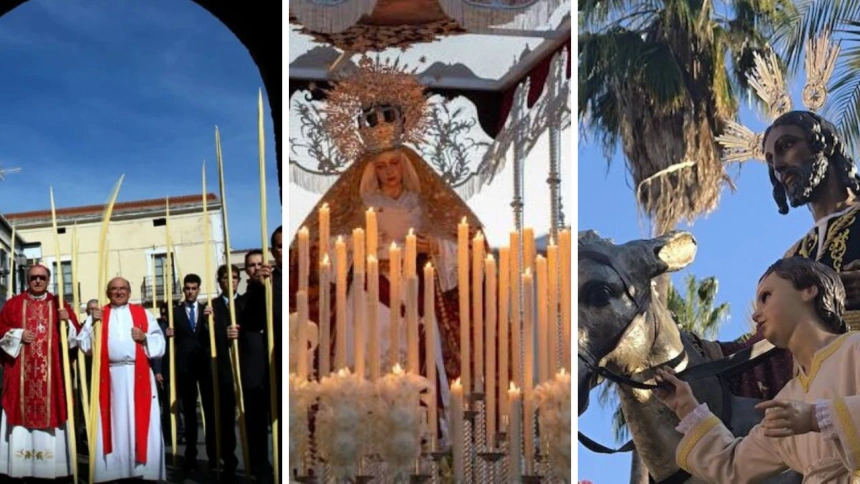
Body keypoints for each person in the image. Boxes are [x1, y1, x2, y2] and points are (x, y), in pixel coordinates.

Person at [656, 257, 860, 482]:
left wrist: (815, 417)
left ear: (809, 290)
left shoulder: (854, 348)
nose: (755, 314)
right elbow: (734, 465)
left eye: (766, 297)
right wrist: (686, 406)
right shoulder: (788, 401)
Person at [716, 111, 860, 402]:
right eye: (770, 160)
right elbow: (765, 343)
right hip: (816, 402)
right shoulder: (794, 255)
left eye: (786, 146)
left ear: (825, 145)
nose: (779, 166)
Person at [77, 277, 166, 482]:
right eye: (114, 289)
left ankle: (143, 468)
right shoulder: (100, 314)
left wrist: (144, 338)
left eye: (123, 288)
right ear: (108, 293)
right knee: (113, 422)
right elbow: (84, 345)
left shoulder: (143, 313)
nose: (119, 292)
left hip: (139, 375)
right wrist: (92, 321)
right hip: (111, 379)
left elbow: (160, 343)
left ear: (129, 290)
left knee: (141, 422)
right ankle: (114, 469)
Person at [0, 264, 80, 479]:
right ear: (27, 279)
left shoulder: (59, 304)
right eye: (33, 277)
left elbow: (75, 339)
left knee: (52, 408)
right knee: (19, 415)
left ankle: (52, 468)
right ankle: (21, 467)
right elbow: (1, 331)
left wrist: (66, 323)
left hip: (52, 378)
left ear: (48, 279)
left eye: (41, 277)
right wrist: (17, 335)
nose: (37, 281)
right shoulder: (14, 305)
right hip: (20, 378)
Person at [166, 271, 239, 479]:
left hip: (206, 366)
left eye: (193, 288)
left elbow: (213, 336)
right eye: (187, 288)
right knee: (188, 413)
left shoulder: (207, 309)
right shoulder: (175, 311)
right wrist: (168, 333)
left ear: (198, 289)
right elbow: (172, 337)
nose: (190, 292)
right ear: (184, 290)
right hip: (185, 367)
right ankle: (189, 456)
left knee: (210, 411)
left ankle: (214, 455)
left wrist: (210, 322)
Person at [244, 232, 281, 484]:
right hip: (264, 368)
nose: (257, 268)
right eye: (279, 246)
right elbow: (254, 320)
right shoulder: (260, 287)